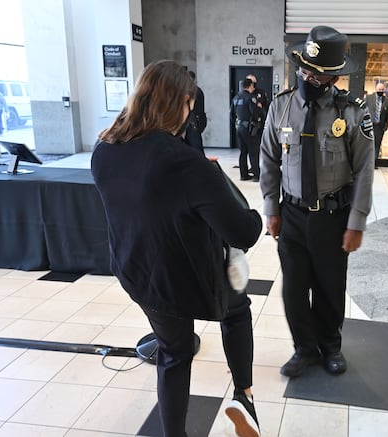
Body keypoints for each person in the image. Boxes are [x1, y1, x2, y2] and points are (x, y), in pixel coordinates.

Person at [91, 60, 263, 437]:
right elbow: (243, 232)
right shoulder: (187, 165)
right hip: (187, 273)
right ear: (183, 103)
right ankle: (244, 395)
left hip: (136, 273)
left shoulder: (104, 150)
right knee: (236, 310)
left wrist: (199, 179)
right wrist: (226, 191)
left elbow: (152, 199)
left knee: (174, 352)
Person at [260, 25, 375, 378]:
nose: (308, 77)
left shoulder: (353, 112)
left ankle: (330, 346)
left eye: (317, 74)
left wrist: (356, 222)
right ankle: (304, 349)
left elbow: (365, 171)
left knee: (329, 287)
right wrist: (272, 209)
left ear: (333, 78)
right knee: (293, 290)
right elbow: (268, 160)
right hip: (292, 214)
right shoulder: (281, 108)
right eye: (305, 70)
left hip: (332, 216)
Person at [232, 78, 263, 181]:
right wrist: (259, 107)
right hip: (249, 128)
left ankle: (243, 175)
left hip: (239, 127)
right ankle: (256, 175)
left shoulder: (236, 98)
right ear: (250, 86)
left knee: (243, 152)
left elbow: (231, 114)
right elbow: (254, 113)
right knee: (253, 152)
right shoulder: (251, 98)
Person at [366, 81, 388, 167]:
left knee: (377, 144)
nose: (380, 91)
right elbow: (363, 110)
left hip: (380, 126)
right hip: (370, 124)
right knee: (368, 144)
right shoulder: (369, 98)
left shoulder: (387, 100)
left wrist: (386, 126)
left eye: (382, 89)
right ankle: (367, 162)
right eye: (379, 89)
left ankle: (374, 163)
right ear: (376, 89)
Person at [184, 71, 207, 154]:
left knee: (195, 146)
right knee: (195, 146)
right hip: (197, 121)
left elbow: (191, 107)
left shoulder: (193, 91)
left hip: (193, 122)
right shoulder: (197, 90)